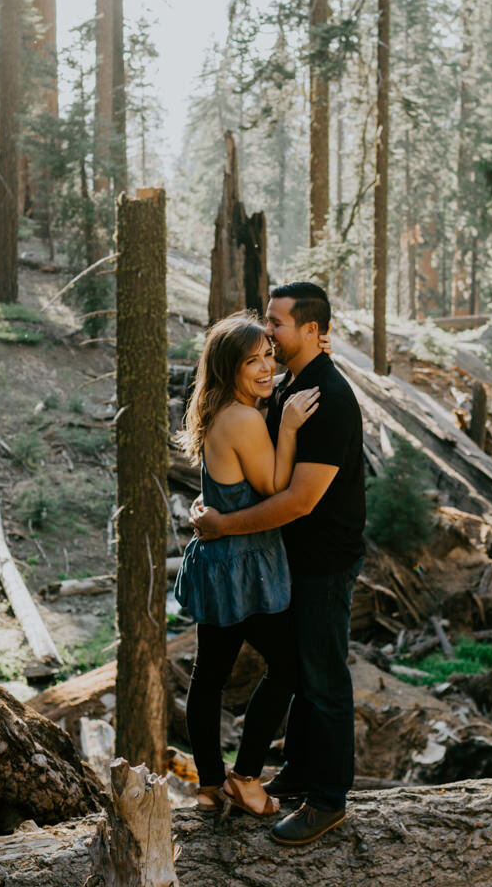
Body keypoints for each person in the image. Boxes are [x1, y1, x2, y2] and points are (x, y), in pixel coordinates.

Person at [191, 282, 365, 846]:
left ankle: (329, 799)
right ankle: (299, 771)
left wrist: (219, 524)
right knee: (303, 672)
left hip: (322, 561)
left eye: (278, 325)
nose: (268, 334)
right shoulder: (293, 381)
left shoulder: (329, 399)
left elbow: (296, 500)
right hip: (284, 559)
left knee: (323, 676)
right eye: (265, 326)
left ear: (313, 330)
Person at [174, 313, 321, 818]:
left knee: (209, 676)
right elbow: (276, 487)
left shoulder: (219, 408)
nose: (265, 369)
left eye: (268, 356)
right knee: (290, 668)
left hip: (219, 563)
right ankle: (246, 777)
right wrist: (291, 425)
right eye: (251, 361)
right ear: (227, 368)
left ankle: (210, 785)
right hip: (245, 567)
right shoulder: (245, 418)